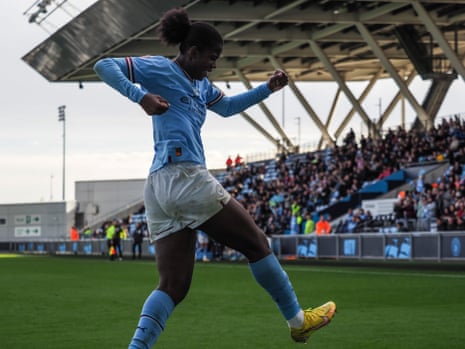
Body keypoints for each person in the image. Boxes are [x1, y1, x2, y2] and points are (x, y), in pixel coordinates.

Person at [94, 8, 335, 348]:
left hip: (159, 188)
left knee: (172, 286)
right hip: (185, 177)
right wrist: (141, 97)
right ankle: (298, 322)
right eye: (211, 57)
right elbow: (104, 65)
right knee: (257, 244)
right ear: (192, 52)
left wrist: (267, 88)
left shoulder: (201, 85)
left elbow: (227, 107)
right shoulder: (161, 68)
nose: (214, 64)